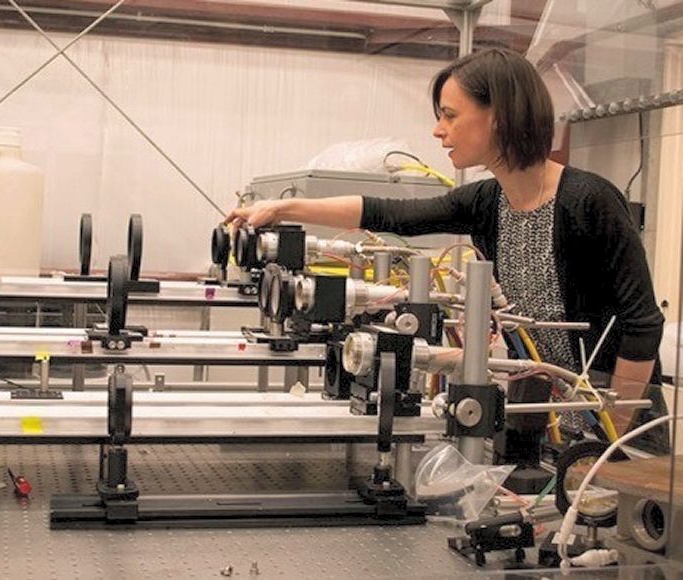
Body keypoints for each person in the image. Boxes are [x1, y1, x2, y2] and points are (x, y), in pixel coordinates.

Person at [227, 47, 667, 456]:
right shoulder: (486, 202)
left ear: (498, 116)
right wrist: (282, 207)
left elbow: (642, 325)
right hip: (546, 427)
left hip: (619, 438)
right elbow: (388, 214)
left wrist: (609, 432)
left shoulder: (589, 201)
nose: (438, 130)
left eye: (450, 116)